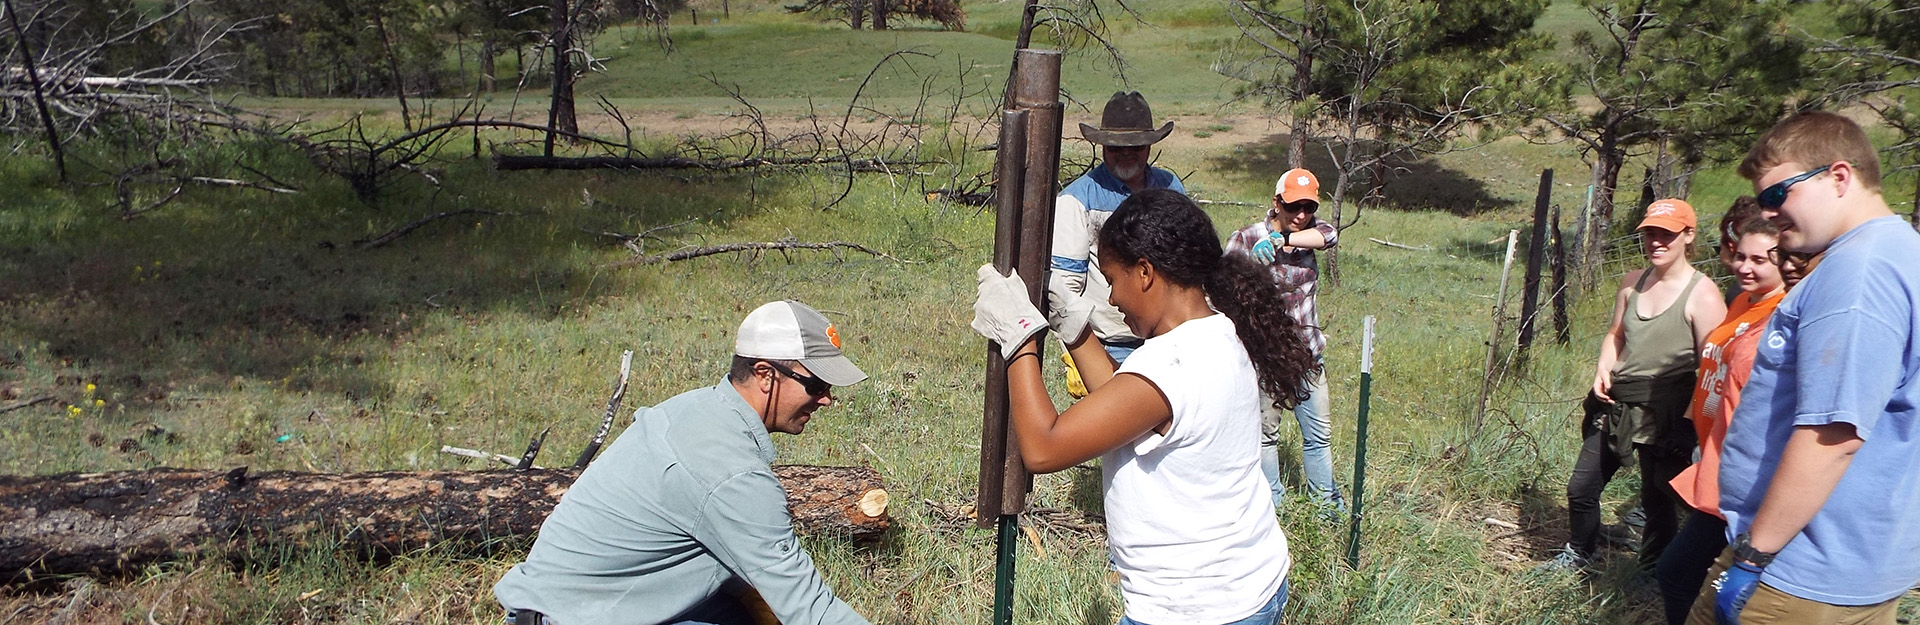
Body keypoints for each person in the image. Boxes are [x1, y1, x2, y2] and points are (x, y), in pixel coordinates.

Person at [971, 189, 1313, 625]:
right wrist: (1075, 330)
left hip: (1198, 608)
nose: (1112, 299)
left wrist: (1019, 337)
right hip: (1245, 584)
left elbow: (1042, 447)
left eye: (1113, 281)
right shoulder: (1221, 331)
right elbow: (1127, 402)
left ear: (1146, 272)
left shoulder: (1170, 363)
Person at [493, 301, 871, 625]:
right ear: (765, 376)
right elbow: (810, 610)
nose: (826, 400)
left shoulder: (694, 410)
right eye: (817, 385)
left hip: (559, 606)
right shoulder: (732, 472)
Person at [1689, 111, 1920, 625]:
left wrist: (1752, 557)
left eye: (1779, 196)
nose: (1770, 215)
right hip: (1846, 561)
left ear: (1839, 177)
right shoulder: (1898, 252)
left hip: (1796, 570)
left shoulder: (1857, 276)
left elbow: (1833, 433)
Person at [1550, 198, 1727, 572]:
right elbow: (1616, 335)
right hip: (1617, 403)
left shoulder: (1704, 294)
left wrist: (1687, 422)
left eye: (1667, 234)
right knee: (1581, 487)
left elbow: (1713, 369)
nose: (1656, 243)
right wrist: (1603, 368)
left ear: (1688, 236)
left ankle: (1653, 571)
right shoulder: (1633, 282)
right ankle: (1580, 553)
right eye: (1650, 234)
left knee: (1657, 496)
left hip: (1666, 410)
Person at [1654, 211, 1785, 625]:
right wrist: (1690, 423)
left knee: (1677, 573)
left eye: (1759, 260)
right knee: (1696, 576)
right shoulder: (1743, 301)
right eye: (1740, 256)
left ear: (1785, 261)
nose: (1745, 267)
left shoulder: (1780, 315)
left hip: (1738, 468)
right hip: (1711, 451)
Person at [1224, 167, 1343, 508]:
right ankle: (1273, 504)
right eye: (1293, 207)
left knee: (1318, 437)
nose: (1301, 214)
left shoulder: (1310, 233)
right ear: (1276, 203)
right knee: (1265, 437)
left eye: (1308, 207)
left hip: (1308, 356)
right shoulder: (1246, 238)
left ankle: (1325, 507)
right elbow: (1222, 288)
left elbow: (1330, 235)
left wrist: (1284, 240)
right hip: (1266, 358)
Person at [1047, 91, 1185, 367]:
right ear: (1102, 147)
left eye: (1135, 147)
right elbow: (1065, 287)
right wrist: (1081, 350)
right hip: (1111, 345)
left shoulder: (1170, 187)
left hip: (1171, 339)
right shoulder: (1076, 200)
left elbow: (1186, 261)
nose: (1126, 154)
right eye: (1116, 148)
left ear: (1149, 146)